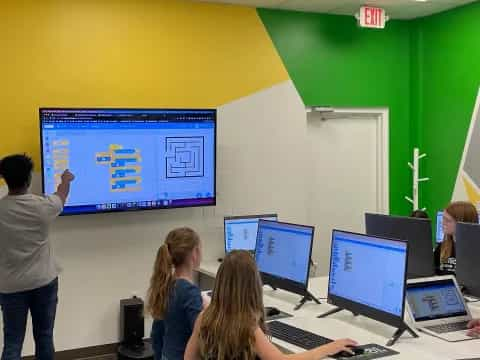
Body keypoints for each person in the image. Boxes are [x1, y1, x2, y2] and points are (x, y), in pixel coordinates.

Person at [185, 250, 357, 360]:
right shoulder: (246, 326)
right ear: (253, 286)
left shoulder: (204, 318)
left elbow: (188, 358)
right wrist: (327, 348)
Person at [0, 154, 74, 360]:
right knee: (44, 336)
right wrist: (66, 179)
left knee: (13, 342)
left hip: (10, 286)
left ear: (5, 179)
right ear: (29, 178)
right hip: (44, 282)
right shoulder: (43, 206)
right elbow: (61, 195)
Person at [146, 227, 207, 360]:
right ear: (195, 253)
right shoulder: (190, 292)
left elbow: (157, 333)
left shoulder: (165, 286)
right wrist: (209, 311)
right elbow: (201, 337)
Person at [434, 201, 479, 275]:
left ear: (462, 223)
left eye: (448, 220)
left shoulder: (476, 251)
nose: (442, 223)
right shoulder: (443, 247)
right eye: (443, 218)